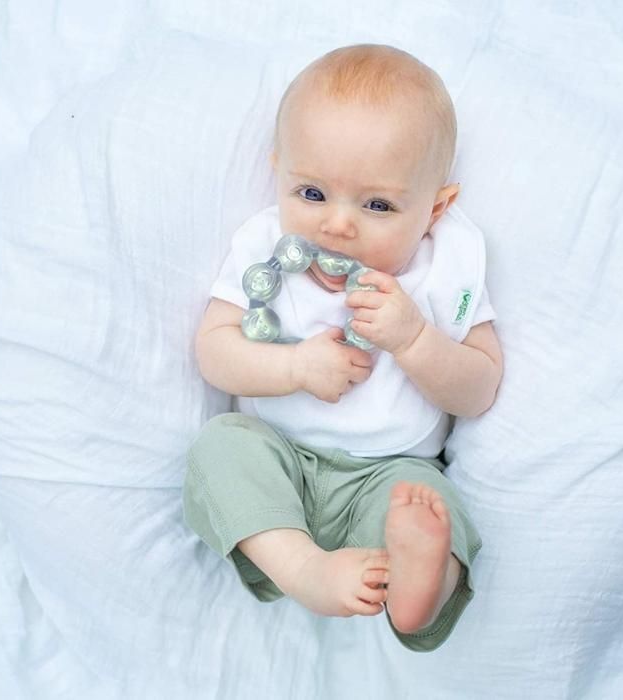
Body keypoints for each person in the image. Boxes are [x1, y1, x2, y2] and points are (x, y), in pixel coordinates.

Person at [183, 43, 504, 652]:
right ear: (279, 172)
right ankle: (301, 567)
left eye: (378, 204)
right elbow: (214, 352)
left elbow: (481, 386)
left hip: (390, 470)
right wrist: (295, 366)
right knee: (219, 448)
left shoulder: (442, 273)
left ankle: (420, 596)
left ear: (435, 208)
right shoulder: (265, 251)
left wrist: (413, 339)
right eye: (311, 193)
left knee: (427, 506)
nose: (337, 225)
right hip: (279, 457)